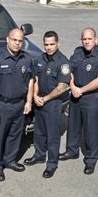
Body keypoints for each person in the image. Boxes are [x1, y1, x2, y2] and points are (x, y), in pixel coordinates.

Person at [58, 28, 98, 174]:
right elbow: (69, 70)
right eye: (84, 39)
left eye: (89, 39)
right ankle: (72, 151)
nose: (87, 41)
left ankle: (91, 159)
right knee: (73, 125)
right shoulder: (77, 52)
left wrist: (80, 90)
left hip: (91, 97)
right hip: (75, 94)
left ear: (95, 39)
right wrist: (73, 86)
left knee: (91, 129)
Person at [0, 28, 34, 182]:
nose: (17, 43)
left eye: (20, 41)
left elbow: (31, 80)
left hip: (19, 104)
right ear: (7, 39)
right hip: (2, 105)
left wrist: (29, 101)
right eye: (14, 40)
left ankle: (10, 160)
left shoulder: (27, 59)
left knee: (15, 134)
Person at [24, 31, 70, 178]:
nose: (49, 47)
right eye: (46, 44)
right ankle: (39, 155)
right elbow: (36, 79)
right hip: (40, 101)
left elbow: (62, 87)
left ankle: (51, 163)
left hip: (53, 103)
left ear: (58, 44)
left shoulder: (62, 62)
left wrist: (45, 99)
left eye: (52, 44)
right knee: (39, 131)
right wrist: (35, 95)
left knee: (52, 135)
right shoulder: (40, 59)